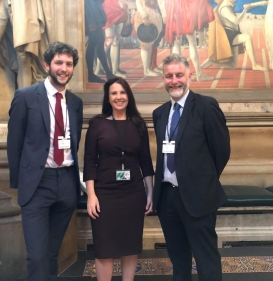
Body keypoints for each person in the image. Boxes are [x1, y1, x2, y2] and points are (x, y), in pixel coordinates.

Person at [7, 42, 83, 281]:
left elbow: (75, 141)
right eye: (59, 63)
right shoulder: (26, 96)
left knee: (52, 253)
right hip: (37, 185)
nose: (64, 68)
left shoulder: (76, 103)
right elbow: (14, 143)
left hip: (67, 184)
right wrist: (21, 182)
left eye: (68, 64)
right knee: (37, 256)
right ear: (47, 64)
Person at [153, 53, 230, 281]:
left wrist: (201, 180)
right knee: (178, 258)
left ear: (190, 76)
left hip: (198, 197)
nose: (174, 80)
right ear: (164, 79)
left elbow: (221, 151)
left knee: (206, 259)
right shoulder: (160, 114)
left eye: (179, 75)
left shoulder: (206, 106)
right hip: (167, 198)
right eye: (169, 76)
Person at [83, 77, 154, 281]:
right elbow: (89, 161)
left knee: (130, 246)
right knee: (104, 248)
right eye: (114, 93)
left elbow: (146, 161)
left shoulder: (138, 124)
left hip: (133, 194)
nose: (119, 97)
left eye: (122, 92)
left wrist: (150, 193)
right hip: (104, 195)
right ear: (108, 97)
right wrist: (91, 195)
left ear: (128, 96)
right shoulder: (97, 124)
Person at [201, 0, 267, 71]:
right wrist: (245, 10)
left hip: (233, 33)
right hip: (228, 36)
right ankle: (255, 64)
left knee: (232, 65)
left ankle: (211, 62)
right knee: (247, 37)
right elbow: (236, 21)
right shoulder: (224, 8)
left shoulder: (227, 6)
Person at [162, 0, 215, 81]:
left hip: (173, 7)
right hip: (186, 8)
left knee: (176, 43)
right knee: (192, 42)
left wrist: (164, 13)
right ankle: (199, 74)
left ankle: (177, 75)